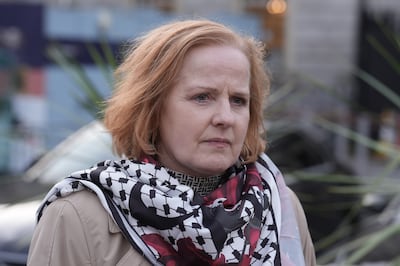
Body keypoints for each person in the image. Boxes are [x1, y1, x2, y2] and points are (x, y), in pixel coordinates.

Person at [27, 19, 316, 266]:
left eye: (239, 100)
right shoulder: (77, 216)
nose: (225, 117)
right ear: (152, 109)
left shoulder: (278, 208)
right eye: (202, 97)